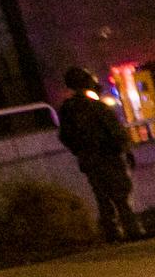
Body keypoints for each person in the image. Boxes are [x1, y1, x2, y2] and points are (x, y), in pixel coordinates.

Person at [54, 67, 146, 243]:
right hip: (108, 157)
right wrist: (125, 150)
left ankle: (112, 233)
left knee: (102, 197)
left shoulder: (67, 111)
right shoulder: (96, 107)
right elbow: (116, 132)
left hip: (89, 160)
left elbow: (65, 136)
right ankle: (132, 230)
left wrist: (81, 151)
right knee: (121, 195)